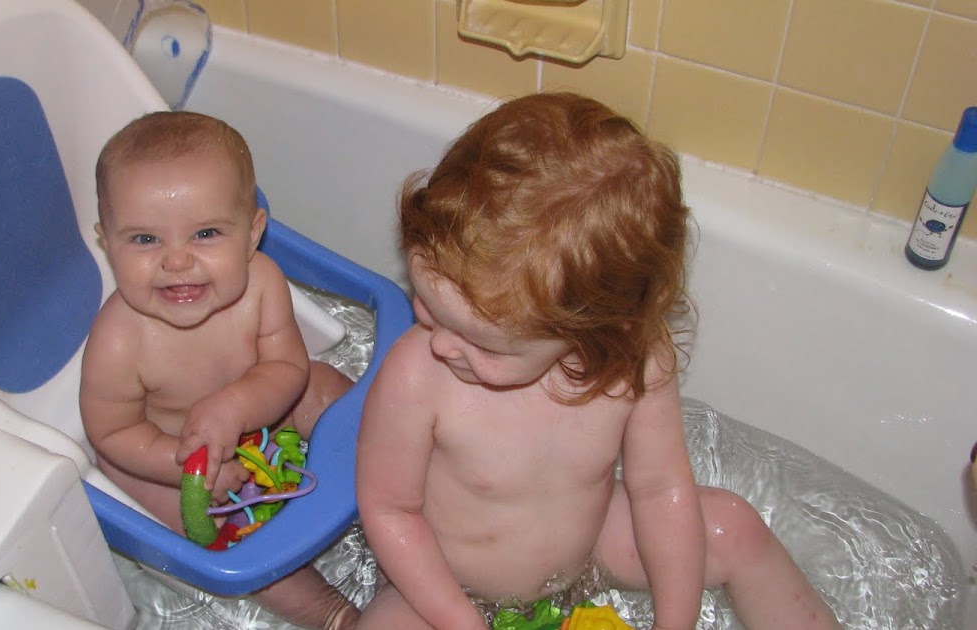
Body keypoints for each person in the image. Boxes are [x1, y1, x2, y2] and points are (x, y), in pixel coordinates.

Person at [355, 93, 841, 630]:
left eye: (485, 345)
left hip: (588, 548)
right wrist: (461, 621)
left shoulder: (632, 366)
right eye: (427, 304)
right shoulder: (418, 375)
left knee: (732, 527)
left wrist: (672, 622)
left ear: (596, 328)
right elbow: (390, 510)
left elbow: (659, 490)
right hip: (446, 582)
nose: (442, 344)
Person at [80, 110, 359, 630]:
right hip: (166, 456)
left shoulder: (262, 283)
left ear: (253, 233)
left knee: (327, 390)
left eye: (206, 233)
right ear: (106, 240)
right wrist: (186, 466)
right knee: (202, 531)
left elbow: (286, 367)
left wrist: (237, 405)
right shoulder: (119, 338)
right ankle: (334, 615)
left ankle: (399, 481)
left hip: (265, 411)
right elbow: (112, 432)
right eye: (144, 240)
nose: (177, 261)